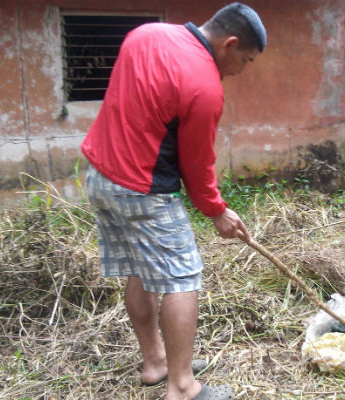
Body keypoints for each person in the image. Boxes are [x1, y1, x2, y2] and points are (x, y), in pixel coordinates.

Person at [81, 3, 266, 399]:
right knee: (182, 277)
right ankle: (183, 387)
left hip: (100, 176)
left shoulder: (146, 34)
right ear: (229, 43)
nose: (241, 70)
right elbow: (197, 165)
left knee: (140, 269)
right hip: (143, 191)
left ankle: (156, 362)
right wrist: (216, 211)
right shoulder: (204, 86)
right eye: (245, 60)